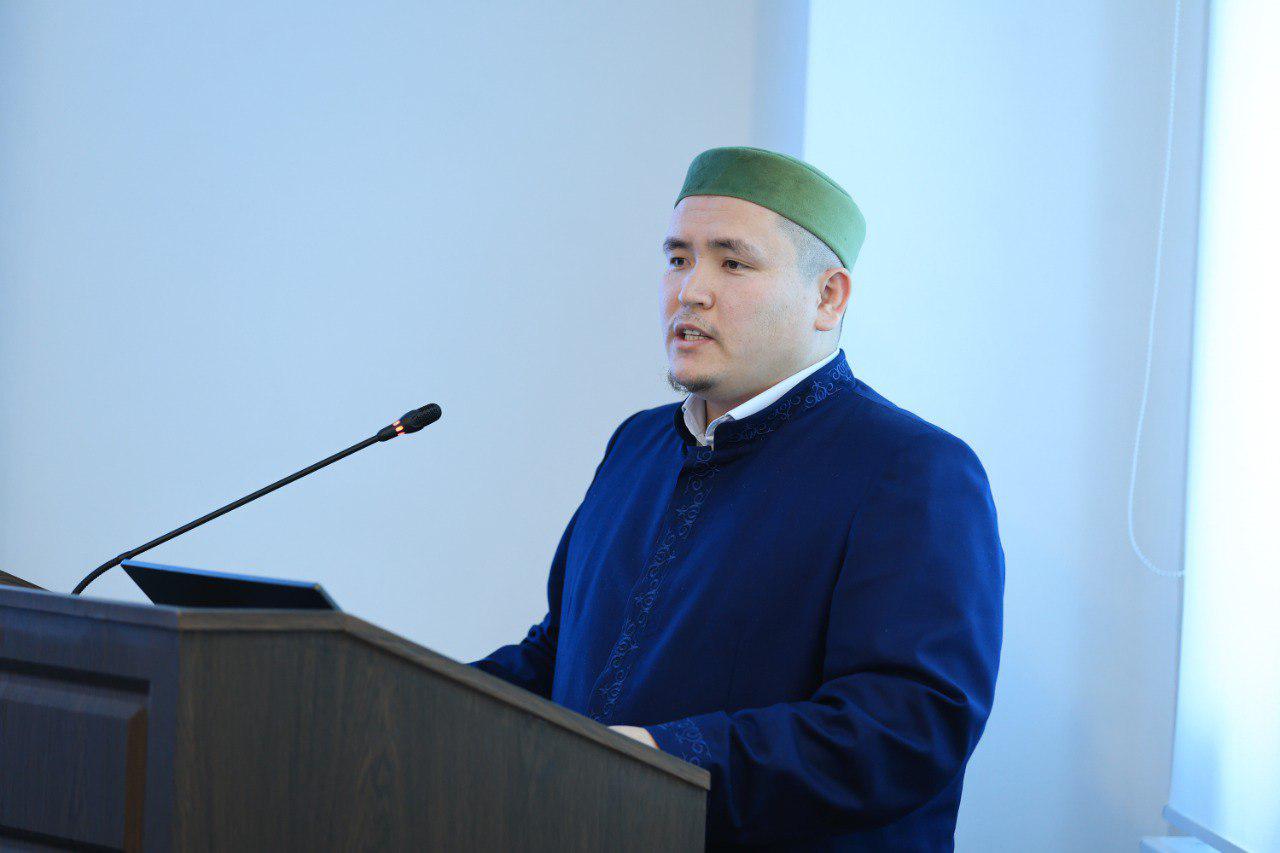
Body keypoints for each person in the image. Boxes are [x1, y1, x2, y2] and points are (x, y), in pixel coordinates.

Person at [470, 146, 1005, 851]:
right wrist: (415, 697)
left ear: (828, 297)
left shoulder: (913, 468)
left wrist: (666, 757)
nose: (690, 291)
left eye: (733, 263)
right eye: (677, 259)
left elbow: (906, 726)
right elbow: (558, 656)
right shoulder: (637, 444)